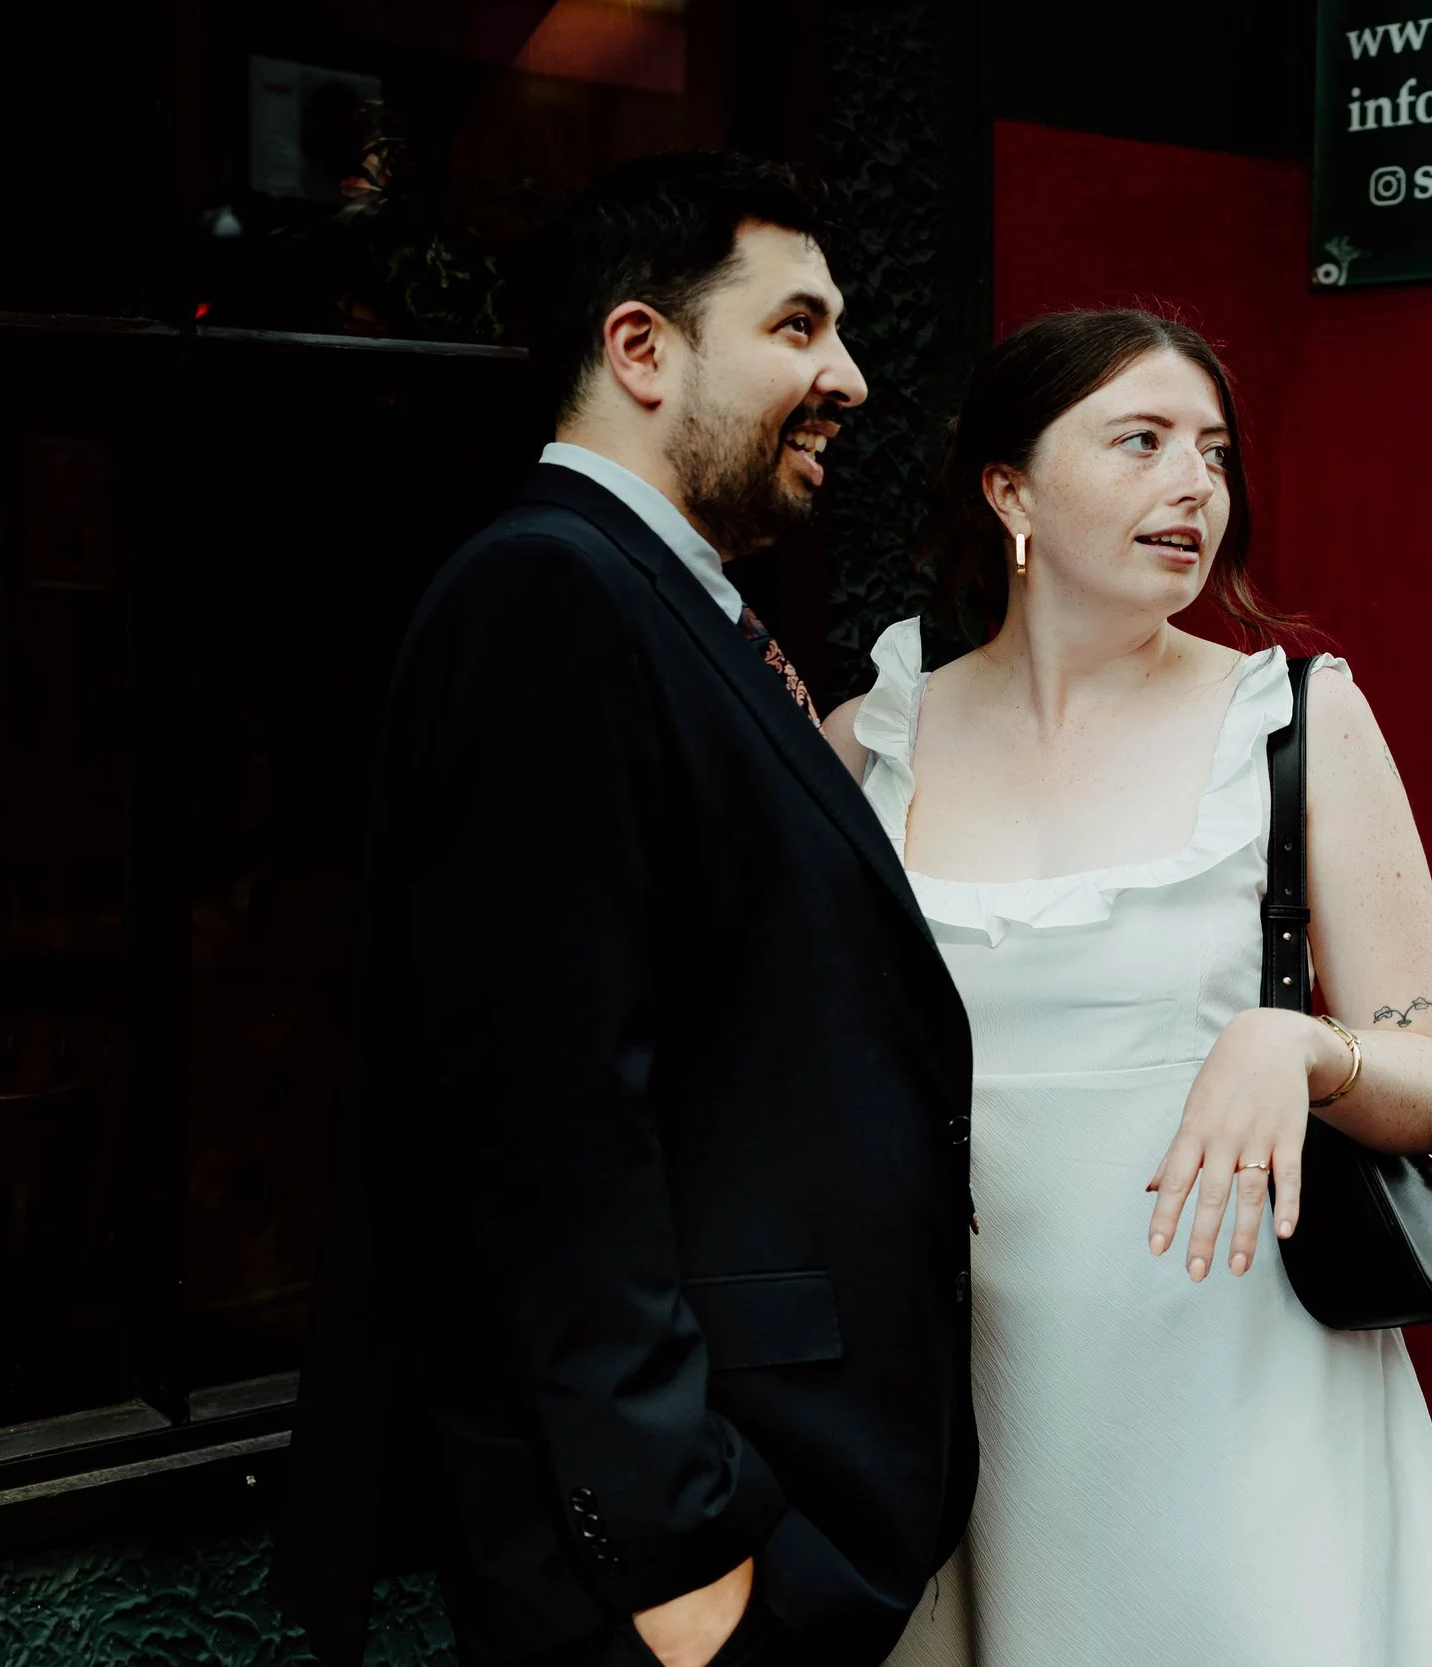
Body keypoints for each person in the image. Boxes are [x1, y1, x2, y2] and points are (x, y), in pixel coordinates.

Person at [278, 153, 977, 1667]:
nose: (848, 377)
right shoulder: (548, 593)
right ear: (641, 348)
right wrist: (677, 1551)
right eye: (798, 327)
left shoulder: (673, 602)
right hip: (674, 1561)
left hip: (794, 1495)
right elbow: (543, 1118)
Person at [824, 310, 1432, 1666]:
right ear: (1008, 488)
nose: (1195, 484)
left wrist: (1303, 1049)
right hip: (972, 1390)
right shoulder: (868, 744)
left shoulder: (1297, 720)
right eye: (1139, 442)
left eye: (1214, 451)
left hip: (1243, 1386)